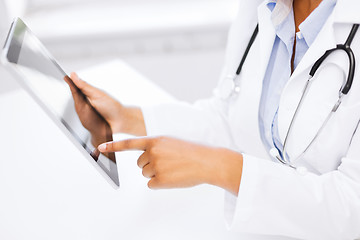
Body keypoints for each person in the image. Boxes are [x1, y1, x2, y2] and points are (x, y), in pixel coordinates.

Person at [67, 0, 360, 238]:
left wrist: (219, 166)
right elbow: (228, 115)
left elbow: (351, 207)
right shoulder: (261, 9)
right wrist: (126, 118)